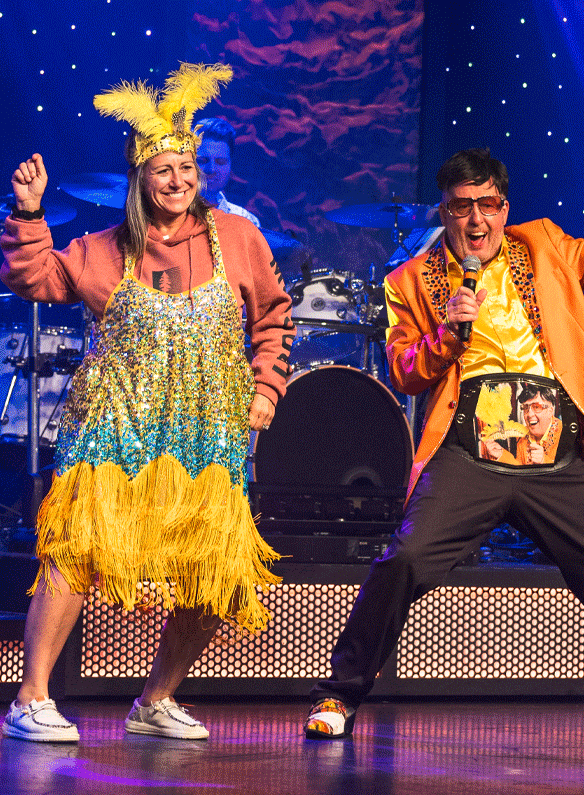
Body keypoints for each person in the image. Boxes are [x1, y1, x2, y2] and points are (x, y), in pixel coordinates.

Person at [305, 117, 584, 745]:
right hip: (469, 446)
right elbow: (407, 372)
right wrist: (446, 334)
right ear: (445, 211)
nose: (476, 221)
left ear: (503, 206)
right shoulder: (410, 281)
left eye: (487, 205)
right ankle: (340, 694)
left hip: (551, 449)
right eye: (461, 207)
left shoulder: (544, 247)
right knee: (405, 559)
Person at [0, 63, 293, 743]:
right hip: (115, 426)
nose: (179, 179)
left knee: (212, 569)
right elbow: (34, 277)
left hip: (207, 434)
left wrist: (267, 386)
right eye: (165, 168)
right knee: (75, 550)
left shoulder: (239, 240)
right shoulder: (104, 249)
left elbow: (277, 316)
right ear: (141, 175)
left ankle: (155, 699)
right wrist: (29, 213)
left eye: (187, 167)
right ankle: (31, 697)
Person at [195, 116, 261, 226]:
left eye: (220, 162)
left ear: (230, 164)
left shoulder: (247, 221)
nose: (211, 169)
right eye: (202, 161)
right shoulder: (167, 216)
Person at [482, 383, 562, 466]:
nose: (529, 414)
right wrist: (501, 454)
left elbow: (568, 475)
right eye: (525, 408)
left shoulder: (565, 435)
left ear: (550, 411)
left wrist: (544, 461)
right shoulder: (522, 439)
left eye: (536, 407)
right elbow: (519, 468)